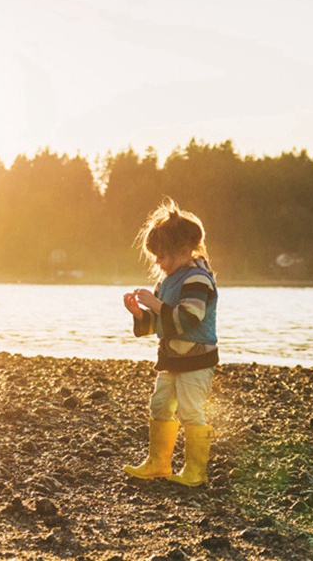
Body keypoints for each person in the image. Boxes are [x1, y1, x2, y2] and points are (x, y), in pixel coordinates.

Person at [122, 198, 218, 487]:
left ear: (182, 251)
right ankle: (158, 462)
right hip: (170, 360)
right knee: (160, 405)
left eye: (161, 257)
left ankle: (195, 470)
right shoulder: (165, 281)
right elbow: (160, 324)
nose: (158, 264)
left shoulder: (197, 280)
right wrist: (140, 314)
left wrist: (156, 303)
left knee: (191, 410)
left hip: (197, 360)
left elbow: (189, 319)